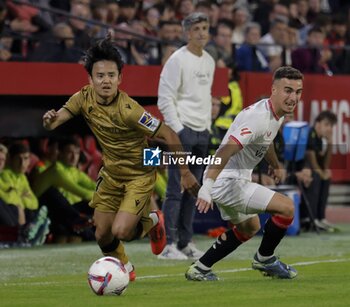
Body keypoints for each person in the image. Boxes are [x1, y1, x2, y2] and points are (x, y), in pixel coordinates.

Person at [42, 35, 199, 281]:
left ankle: (151, 220)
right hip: (111, 175)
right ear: (91, 79)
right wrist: (50, 121)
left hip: (138, 175)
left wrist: (186, 173)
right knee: (102, 235)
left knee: (122, 231)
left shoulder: (130, 111)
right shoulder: (82, 98)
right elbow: (56, 121)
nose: (106, 81)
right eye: (100, 76)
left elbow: (168, 134)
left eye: (111, 75)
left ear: (119, 78)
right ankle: (125, 267)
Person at [185, 66, 303, 281]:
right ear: (274, 90)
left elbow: (265, 140)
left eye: (297, 92)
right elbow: (225, 150)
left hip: (233, 179)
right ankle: (265, 258)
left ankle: (200, 268)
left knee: (250, 227)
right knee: (287, 208)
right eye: (288, 90)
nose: (293, 97)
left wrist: (275, 164)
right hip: (227, 181)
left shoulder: (276, 114)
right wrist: (207, 186)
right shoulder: (257, 118)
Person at [157, 12, 215, 260]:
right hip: (182, 132)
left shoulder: (210, 61)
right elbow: (164, 98)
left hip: (203, 132)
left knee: (195, 189)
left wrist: (207, 126)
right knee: (174, 189)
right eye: (197, 28)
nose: (202, 32)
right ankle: (167, 245)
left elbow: (205, 99)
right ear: (187, 32)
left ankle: (185, 242)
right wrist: (178, 130)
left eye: (205, 27)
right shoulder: (177, 60)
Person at [300, 110, 337, 231]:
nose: (329, 128)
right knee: (316, 174)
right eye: (326, 124)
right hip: (297, 169)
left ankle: (321, 217)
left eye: (331, 126)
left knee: (326, 174)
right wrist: (321, 172)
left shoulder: (320, 140)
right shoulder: (310, 133)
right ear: (318, 123)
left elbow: (324, 165)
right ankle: (310, 218)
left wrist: (330, 143)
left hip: (310, 170)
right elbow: (311, 159)